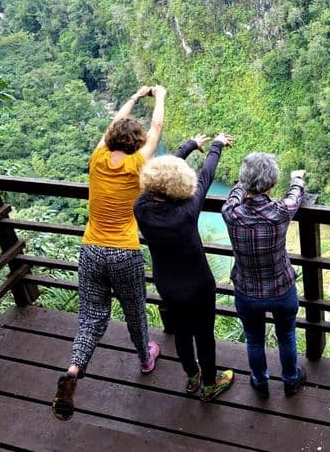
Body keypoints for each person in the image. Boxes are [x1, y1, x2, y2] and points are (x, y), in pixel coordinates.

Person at [52, 85, 166, 421]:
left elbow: (110, 128)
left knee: (91, 316)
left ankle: (74, 370)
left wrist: (133, 97)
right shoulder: (137, 166)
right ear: (137, 144)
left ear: (111, 139)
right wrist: (159, 96)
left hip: (91, 250)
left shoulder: (97, 159)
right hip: (123, 253)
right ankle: (146, 359)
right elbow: (156, 129)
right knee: (134, 310)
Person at [134, 132, 236, 402]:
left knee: (181, 333)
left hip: (168, 284)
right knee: (204, 335)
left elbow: (162, 175)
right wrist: (216, 145)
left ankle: (192, 376)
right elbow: (206, 176)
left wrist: (188, 146)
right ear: (180, 184)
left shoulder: (141, 207)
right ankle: (210, 383)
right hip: (199, 285)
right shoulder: (188, 210)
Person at [222, 153, 307, 399]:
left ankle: (260, 381)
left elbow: (234, 196)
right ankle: (290, 379)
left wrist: (242, 184)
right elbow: (295, 196)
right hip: (281, 288)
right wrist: (297, 179)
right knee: (287, 336)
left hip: (247, 290)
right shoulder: (281, 212)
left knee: (254, 340)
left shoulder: (231, 213)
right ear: (271, 184)